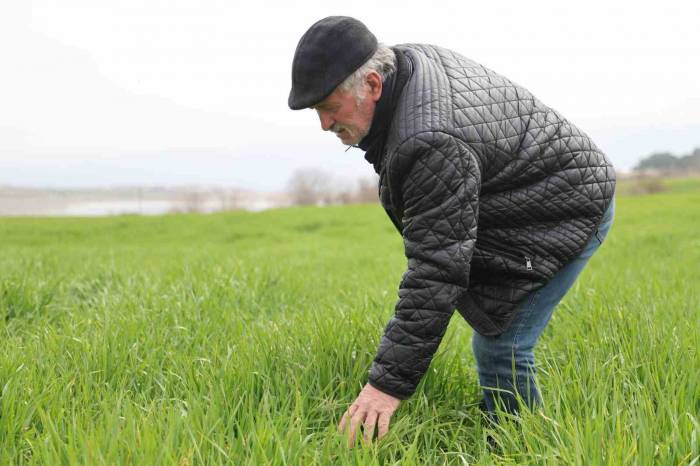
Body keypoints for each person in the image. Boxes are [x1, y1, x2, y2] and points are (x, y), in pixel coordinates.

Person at [288, 16, 616, 447]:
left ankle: (524, 449)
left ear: (371, 84)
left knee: (502, 346)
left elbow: (437, 269)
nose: (325, 124)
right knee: (493, 328)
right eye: (317, 111)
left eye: (329, 107)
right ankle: (508, 433)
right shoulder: (399, 67)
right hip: (532, 195)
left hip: (568, 207)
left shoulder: (429, 139)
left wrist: (386, 387)